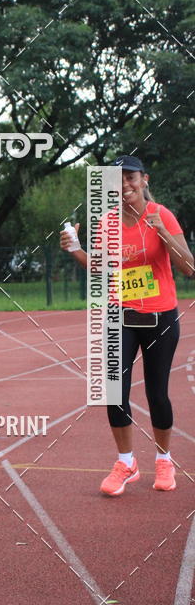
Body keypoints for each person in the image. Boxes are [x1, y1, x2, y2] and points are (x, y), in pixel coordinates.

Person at [61, 155, 194, 496]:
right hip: (121, 314)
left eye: (130, 177)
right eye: (117, 179)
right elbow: (101, 267)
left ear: (144, 179)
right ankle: (126, 461)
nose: (124, 185)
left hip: (160, 316)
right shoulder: (106, 223)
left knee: (157, 392)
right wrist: (76, 249)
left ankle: (164, 459)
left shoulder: (161, 214)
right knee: (114, 390)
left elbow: (189, 269)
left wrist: (163, 233)